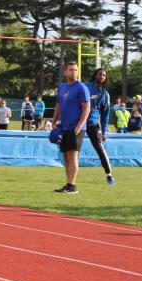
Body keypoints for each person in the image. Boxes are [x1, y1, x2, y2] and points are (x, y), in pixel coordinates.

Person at [52, 61, 91, 194]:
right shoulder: (62, 87)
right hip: (64, 127)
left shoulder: (81, 87)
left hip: (76, 127)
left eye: (75, 70)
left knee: (73, 155)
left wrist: (79, 126)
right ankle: (68, 184)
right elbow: (58, 106)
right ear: (65, 72)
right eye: (70, 70)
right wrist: (54, 122)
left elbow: (87, 108)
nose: (73, 72)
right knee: (66, 156)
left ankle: (72, 186)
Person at [86, 67, 115, 186]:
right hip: (79, 123)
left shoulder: (105, 94)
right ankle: (70, 180)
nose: (101, 76)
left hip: (93, 124)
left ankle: (109, 175)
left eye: (104, 75)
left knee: (100, 148)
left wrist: (104, 132)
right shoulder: (85, 86)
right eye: (99, 74)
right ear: (95, 75)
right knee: (73, 150)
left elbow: (105, 115)